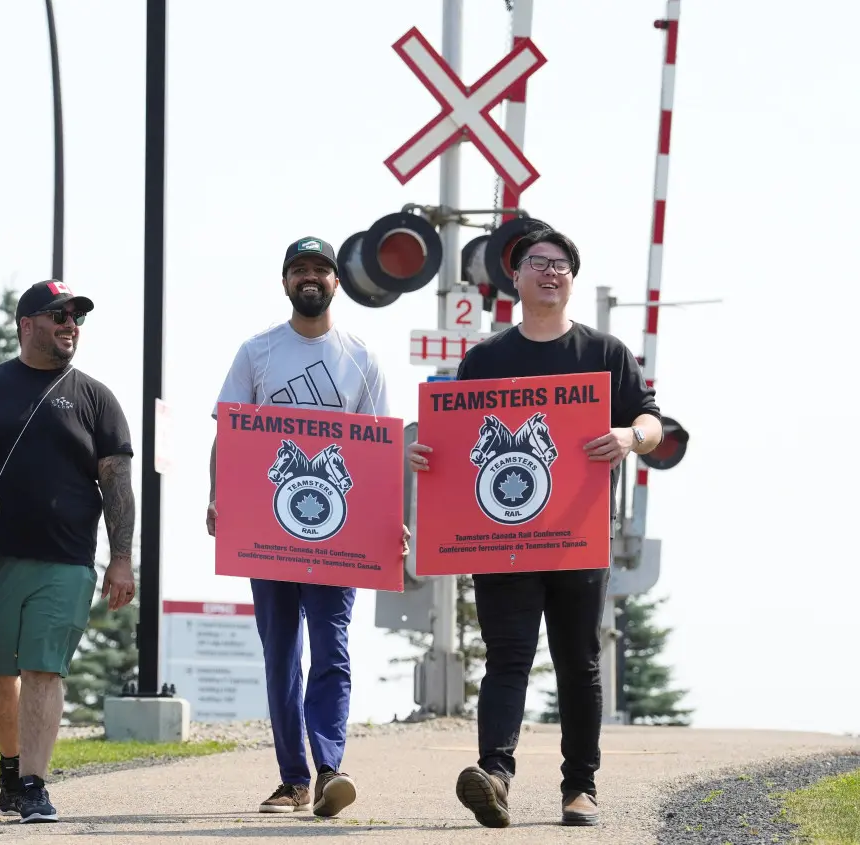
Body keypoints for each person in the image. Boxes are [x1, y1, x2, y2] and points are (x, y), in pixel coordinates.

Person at [406, 227, 663, 829]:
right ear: (515, 278)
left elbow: (651, 420)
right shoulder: (487, 360)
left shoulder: (605, 353)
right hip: (503, 537)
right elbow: (452, 437)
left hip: (577, 532)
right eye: (537, 263)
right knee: (509, 656)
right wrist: (424, 452)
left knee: (579, 662)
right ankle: (493, 775)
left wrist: (630, 436)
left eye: (561, 265)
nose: (550, 272)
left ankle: (581, 789)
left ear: (571, 280)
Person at [206, 236, 409, 818]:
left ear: (337, 283)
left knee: (332, 647)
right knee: (281, 653)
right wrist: (217, 496)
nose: (310, 278)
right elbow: (228, 432)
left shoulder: (361, 357)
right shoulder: (257, 352)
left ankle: (329, 770)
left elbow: (379, 449)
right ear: (286, 282)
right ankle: (291, 778)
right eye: (300, 270)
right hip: (267, 523)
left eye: (321, 269)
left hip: (338, 531)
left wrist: (390, 520)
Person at [0, 279, 136, 825]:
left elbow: (116, 481)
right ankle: (13, 766)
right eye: (57, 315)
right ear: (26, 325)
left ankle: (35, 784)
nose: (70, 325)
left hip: (65, 559)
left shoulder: (96, 398)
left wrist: (121, 556)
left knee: (44, 668)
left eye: (76, 318)